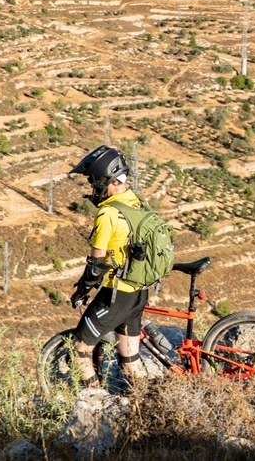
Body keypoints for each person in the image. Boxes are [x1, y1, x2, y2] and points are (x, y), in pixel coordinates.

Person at [68, 145, 148, 387]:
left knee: (79, 349)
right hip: (138, 291)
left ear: (108, 179)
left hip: (116, 294)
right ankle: (142, 403)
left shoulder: (108, 213)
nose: (94, 187)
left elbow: (97, 263)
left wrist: (82, 291)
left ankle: (92, 406)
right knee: (130, 357)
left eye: (94, 181)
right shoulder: (135, 201)